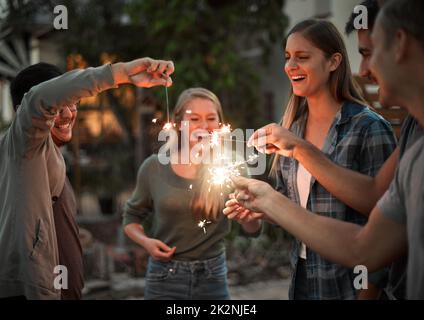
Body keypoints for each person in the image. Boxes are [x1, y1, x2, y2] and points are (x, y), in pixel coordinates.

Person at [225, 0, 424, 300]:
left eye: (302, 57)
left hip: (348, 285)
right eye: (288, 57)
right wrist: (260, 211)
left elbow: (376, 222)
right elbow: (295, 209)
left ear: (333, 62)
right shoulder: (289, 129)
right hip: (304, 279)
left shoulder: (368, 127)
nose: (291, 66)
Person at [0, 57, 174, 299]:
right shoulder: (23, 144)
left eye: (74, 104)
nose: (69, 114)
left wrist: (99, 248)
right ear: (23, 114)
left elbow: (47, 225)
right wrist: (121, 73)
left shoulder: (45, 158)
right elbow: (40, 98)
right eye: (58, 107)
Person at [123, 88, 261, 300]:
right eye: (194, 118)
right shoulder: (154, 167)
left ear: (220, 123)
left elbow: (253, 229)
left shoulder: (233, 165)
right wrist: (147, 243)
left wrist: (250, 219)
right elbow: (131, 218)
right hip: (164, 277)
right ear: (178, 124)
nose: (204, 126)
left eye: (211, 118)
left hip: (213, 277)